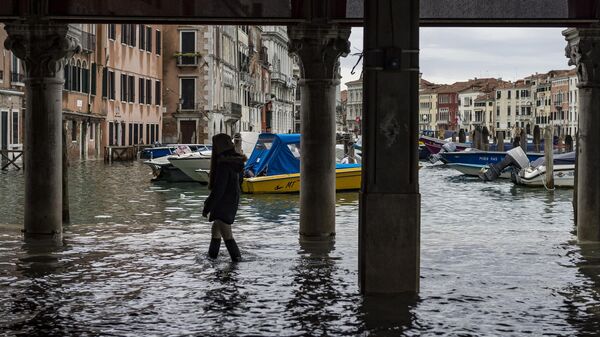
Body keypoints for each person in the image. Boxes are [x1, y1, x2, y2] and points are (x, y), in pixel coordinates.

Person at [202, 133, 246, 262]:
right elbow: (239, 182)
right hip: (232, 200)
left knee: (227, 235)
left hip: (223, 203)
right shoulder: (236, 161)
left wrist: (207, 207)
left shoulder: (223, 164)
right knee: (216, 230)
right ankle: (212, 257)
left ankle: (236, 262)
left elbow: (218, 189)